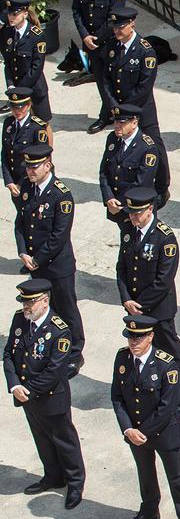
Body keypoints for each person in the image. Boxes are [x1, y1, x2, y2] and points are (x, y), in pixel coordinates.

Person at [110, 315, 180, 519]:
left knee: (178, 479)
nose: (133, 342)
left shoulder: (167, 365)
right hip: (135, 433)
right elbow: (117, 397)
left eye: (138, 337)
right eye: (130, 337)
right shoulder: (122, 359)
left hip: (162, 433)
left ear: (150, 337)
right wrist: (128, 428)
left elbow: (167, 408)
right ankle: (149, 509)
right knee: (145, 472)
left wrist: (141, 431)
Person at [3, 279, 85, 508]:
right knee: (41, 438)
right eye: (24, 303)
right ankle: (52, 476)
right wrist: (14, 385)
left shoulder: (60, 330)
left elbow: (55, 370)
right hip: (25, 396)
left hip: (50, 398)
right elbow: (9, 353)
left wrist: (27, 389)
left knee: (64, 440)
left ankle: (75, 482)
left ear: (44, 300)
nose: (26, 307)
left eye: (30, 303)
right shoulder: (20, 320)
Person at [116, 187, 180, 410]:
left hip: (158, 308)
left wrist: (141, 305)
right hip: (135, 307)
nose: (133, 217)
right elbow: (122, 269)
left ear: (150, 209)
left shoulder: (165, 238)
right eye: (130, 213)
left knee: (170, 354)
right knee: (145, 352)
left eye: (137, 213)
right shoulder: (129, 231)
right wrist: (126, 299)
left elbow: (163, 279)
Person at [15, 144, 83, 372]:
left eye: (35, 167)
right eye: (28, 167)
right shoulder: (27, 187)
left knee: (65, 308)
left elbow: (59, 235)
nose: (30, 171)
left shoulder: (61, 195)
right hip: (34, 262)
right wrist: (23, 251)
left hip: (57, 265)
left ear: (48, 165)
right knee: (43, 309)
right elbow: (20, 223)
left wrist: (38, 258)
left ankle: (74, 351)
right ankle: (50, 346)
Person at [97, 7, 169, 198]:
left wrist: (124, 109)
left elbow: (145, 85)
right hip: (119, 110)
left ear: (132, 25)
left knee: (154, 146)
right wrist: (113, 105)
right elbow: (105, 79)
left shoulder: (146, 51)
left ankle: (162, 187)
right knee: (122, 148)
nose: (117, 31)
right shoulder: (112, 47)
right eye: (115, 27)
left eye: (121, 27)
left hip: (141, 108)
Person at [99, 104, 160, 224]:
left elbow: (142, 183)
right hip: (116, 207)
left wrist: (120, 203)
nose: (116, 126)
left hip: (137, 210)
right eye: (115, 122)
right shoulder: (112, 139)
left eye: (121, 123)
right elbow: (104, 171)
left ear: (134, 123)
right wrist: (109, 198)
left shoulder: (147, 148)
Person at [72, 0, 123, 129]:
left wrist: (96, 39)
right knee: (101, 80)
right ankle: (106, 115)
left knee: (116, 80)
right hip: (91, 43)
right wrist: (84, 35)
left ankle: (121, 114)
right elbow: (76, 11)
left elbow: (115, 17)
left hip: (109, 42)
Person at [1, 0, 51, 124]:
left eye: (14, 14)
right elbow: (8, 63)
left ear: (25, 14)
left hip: (35, 90)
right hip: (16, 91)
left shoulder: (37, 35)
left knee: (42, 125)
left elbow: (37, 67)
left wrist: (20, 89)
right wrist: (11, 85)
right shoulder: (7, 33)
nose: (11, 17)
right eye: (9, 14)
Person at [1, 88, 49, 197]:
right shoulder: (8, 123)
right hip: (14, 183)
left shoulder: (37, 127)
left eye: (20, 107)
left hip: (33, 182)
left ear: (28, 105)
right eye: (13, 107)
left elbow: (41, 160)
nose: (17, 111)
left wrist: (21, 184)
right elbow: (5, 152)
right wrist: (9, 181)